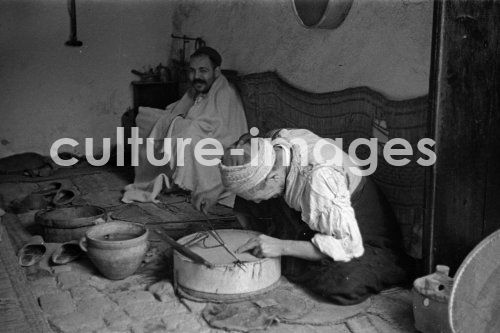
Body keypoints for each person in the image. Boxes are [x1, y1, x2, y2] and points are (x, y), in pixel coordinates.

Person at [214, 128, 411, 305]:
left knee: (342, 281)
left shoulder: (319, 178)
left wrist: (281, 246)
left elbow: (347, 245)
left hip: (360, 234)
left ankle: (285, 250)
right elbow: (244, 168)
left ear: (273, 177)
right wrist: (215, 191)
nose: (256, 201)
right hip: (322, 211)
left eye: (256, 195)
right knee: (248, 202)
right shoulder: (272, 145)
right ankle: (286, 248)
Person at [123, 47, 248, 208]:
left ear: (216, 71)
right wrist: (173, 119)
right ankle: (157, 177)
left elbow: (218, 129)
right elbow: (181, 109)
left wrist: (178, 122)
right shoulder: (197, 89)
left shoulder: (225, 91)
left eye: (203, 71)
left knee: (188, 132)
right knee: (146, 117)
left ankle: (188, 183)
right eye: (192, 71)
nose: (196, 76)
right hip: (198, 133)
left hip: (217, 148)